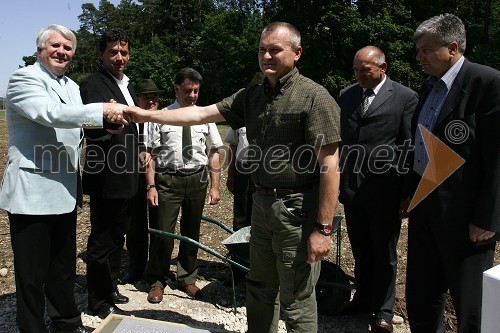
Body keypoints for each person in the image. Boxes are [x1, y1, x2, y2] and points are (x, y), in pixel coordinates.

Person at [125, 22, 341, 333]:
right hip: (262, 203)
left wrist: (323, 228)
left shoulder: (313, 97)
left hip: (296, 209)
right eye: (262, 49)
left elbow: (330, 165)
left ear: (297, 53)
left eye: (275, 50)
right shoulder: (251, 96)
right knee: (260, 285)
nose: (266, 55)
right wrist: (146, 115)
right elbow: (199, 113)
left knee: (296, 295)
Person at [0, 24, 127, 333]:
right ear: (40, 49)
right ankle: (31, 327)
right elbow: (50, 113)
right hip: (32, 191)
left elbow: (77, 123)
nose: (62, 52)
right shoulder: (23, 80)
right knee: (31, 274)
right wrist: (104, 110)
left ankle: (67, 322)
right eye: (55, 45)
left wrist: (105, 128)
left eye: (68, 48)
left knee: (62, 267)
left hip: (65, 190)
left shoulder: (70, 85)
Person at [405, 13, 500, 333]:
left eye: (426, 50)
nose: (419, 56)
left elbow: (497, 158)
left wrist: (488, 218)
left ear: (453, 48)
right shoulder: (428, 87)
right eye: (419, 49)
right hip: (425, 209)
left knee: (470, 304)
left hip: (467, 219)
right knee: (422, 296)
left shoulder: (487, 83)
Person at [338, 46, 418, 332]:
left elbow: (410, 147)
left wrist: (408, 192)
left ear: (383, 68)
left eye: (366, 70)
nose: (360, 75)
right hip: (352, 188)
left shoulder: (405, 98)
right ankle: (362, 297)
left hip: (386, 189)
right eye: (356, 70)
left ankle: (384, 310)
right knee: (360, 247)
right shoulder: (347, 96)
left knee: (385, 252)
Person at [81, 28, 150, 319]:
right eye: (113, 51)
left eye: (124, 52)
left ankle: (110, 287)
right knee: (102, 240)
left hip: (129, 175)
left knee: (118, 236)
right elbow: (90, 126)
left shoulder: (127, 86)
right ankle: (97, 301)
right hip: (108, 175)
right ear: (101, 54)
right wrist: (108, 124)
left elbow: (136, 123)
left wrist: (143, 147)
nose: (119, 57)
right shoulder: (93, 85)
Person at [144, 68, 223, 304]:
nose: (192, 95)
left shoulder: (205, 115)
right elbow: (150, 153)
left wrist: (215, 186)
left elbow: (214, 151)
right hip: (168, 180)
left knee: (192, 231)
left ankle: (187, 277)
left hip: (197, 179)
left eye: (196, 90)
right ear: (176, 88)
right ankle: (157, 280)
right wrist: (151, 186)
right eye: (188, 90)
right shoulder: (160, 116)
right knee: (163, 233)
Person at [121, 78, 164, 285]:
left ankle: (156, 268)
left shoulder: (164, 118)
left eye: (154, 96)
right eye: (146, 97)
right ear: (137, 98)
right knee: (136, 224)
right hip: (134, 176)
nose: (151, 101)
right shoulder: (131, 119)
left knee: (159, 222)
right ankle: (136, 266)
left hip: (161, 177)